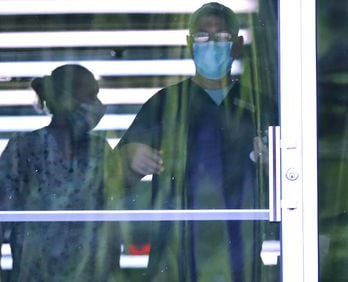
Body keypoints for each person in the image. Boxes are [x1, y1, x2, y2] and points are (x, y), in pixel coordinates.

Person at [117, 3, 276, 281]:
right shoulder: (165, 104)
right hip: (175, 258)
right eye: (202, 37)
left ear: (237, 45)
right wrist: (131, 158)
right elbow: (115, 178)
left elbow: (296, 185)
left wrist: (271, 166)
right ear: (190, 44)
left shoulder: (259, 107)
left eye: (222, 37)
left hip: (241, 256)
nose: (211, 44)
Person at [0, 64, 122, 282]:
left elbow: (114, 225)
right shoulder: (23, 150)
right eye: (89, 96)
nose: (97, 106)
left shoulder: (100, 151)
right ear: (63, 98)